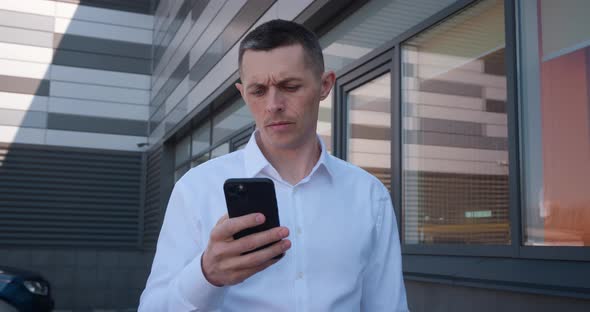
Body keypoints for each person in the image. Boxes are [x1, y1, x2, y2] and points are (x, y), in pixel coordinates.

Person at [139, 19, 408, 311]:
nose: (273, 104)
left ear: (325, 85)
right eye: (257, 91)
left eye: (289, 86)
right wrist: (206, 275)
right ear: (242, 93)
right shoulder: (196, 189)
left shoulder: (369, 194)